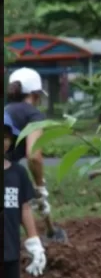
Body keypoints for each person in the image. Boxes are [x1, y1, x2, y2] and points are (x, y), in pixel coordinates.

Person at [5, 68, 52, 219]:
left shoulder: (7, 110)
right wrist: (40, 186)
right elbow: (33, 156)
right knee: (19, 207)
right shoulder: (34, 115)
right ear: (35, 95)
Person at [4, 111, 47, 277]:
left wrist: (34, 240)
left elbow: (25, 208)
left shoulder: (18, 173)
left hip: (10, 252)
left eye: (5, 137)